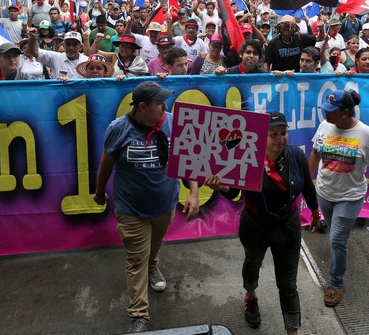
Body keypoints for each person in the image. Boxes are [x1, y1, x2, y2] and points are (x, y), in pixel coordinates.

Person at [93, 81, 200, 333]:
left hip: (165, 204)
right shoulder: (118, 129)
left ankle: (153, 266)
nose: (165, 107)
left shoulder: (173, 123)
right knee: (135, 260)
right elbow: (106, 164)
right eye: (159, 103)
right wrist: (99, 192)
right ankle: (138, 315)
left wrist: (194, 192)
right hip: (131, 210)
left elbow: (188, 158)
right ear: (142, 107)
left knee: (155, 243)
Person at [206, 112, 321, 334]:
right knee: (253, 263)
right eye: (273, 134)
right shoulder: (246, 157)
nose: (280, 139)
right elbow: (234, 193)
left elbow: (308, 186)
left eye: (283, 133)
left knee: (288, 284)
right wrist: (220, 187)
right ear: (261, 136)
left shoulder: (296, 155)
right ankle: (251, 296)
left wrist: (315, 214)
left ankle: (292, 331)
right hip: (255, 226)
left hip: (288, 226)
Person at [308, 89, 369, 307]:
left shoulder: (366, 135)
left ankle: (335, 283)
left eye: (330, 111)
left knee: (337, 239)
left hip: (350, 196)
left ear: (345, 113)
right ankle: (340, 247)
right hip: (324, 193)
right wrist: (306, 182)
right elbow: (316, 153)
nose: (326, 114)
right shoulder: (324, 126)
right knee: (335, 233)